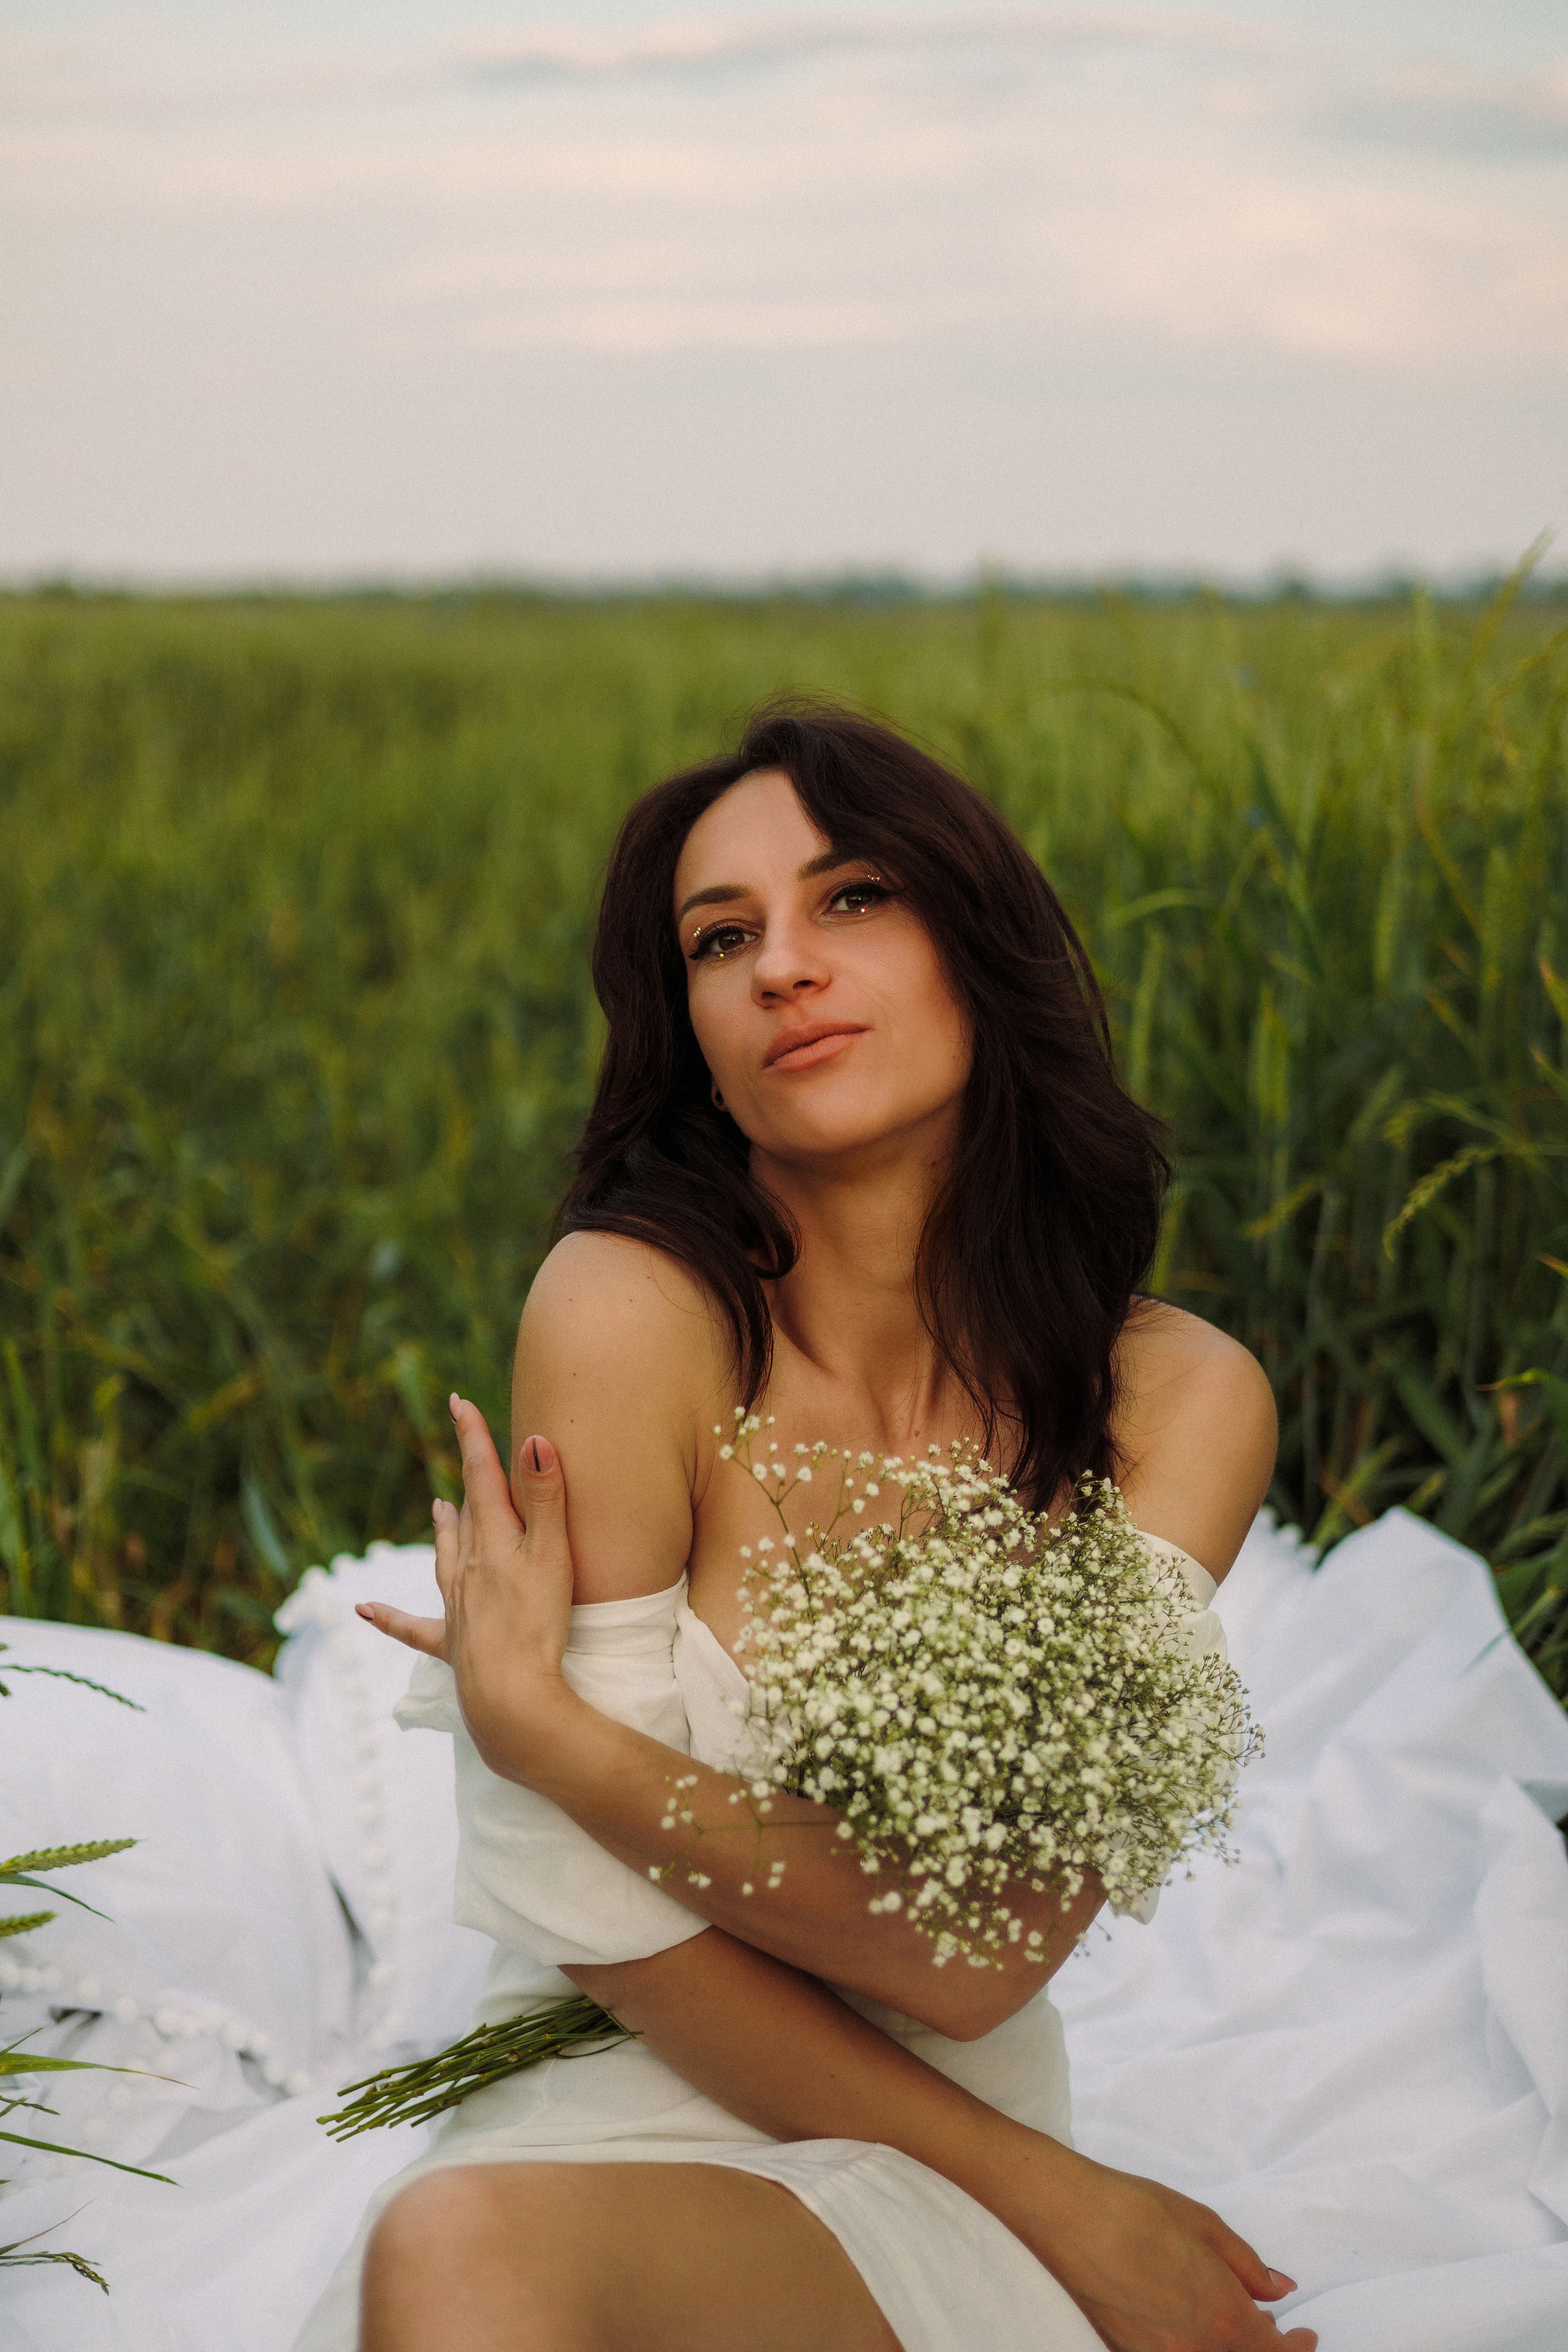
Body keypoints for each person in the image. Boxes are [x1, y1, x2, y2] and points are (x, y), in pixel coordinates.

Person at [296, 700, 1315, 2352]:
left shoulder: (1175, 1403)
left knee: (460, 2251)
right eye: (722, 937)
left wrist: (549, 1737)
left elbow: (977, 1958)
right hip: (593, 2104)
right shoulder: (625, 1314)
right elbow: (584, 1909)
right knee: (456, 2245)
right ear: (692, 1030)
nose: (781, 966)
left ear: (978, 949)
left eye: (852, 899)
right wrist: (1071, 2206)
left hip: (940, 2156)